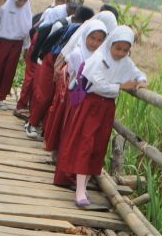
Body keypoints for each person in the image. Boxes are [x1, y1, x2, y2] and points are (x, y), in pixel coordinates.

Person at [54, 25, 147, 207]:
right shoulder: (99, 58)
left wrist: (141, 80)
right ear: (110, 44)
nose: (121, 53)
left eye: (125, 50)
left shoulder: (125, 61)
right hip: (91, 105)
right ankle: (80, 190)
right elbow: (97, 85)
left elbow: (137, 73)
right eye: (118, 48)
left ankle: (85, 185)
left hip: (107, 107)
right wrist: (120, 86)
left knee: (98, 145)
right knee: (86, 143)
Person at [25, 5, 93, 138]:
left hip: (60, 66)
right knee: (44, 95)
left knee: (53, 98)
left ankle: (44, 128)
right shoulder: (67, 27)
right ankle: (31, 124)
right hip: (50, 61)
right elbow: (48, 43)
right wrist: (39, 59)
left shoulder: (83, 32)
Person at [42, 19, 108, 155]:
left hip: (87, 98)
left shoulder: (102, 56)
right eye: (92, 38)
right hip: (75, 96)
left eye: (100, 40)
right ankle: (61, 154)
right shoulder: (77, 54)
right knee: (68, 126)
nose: (95, 43)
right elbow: (82, 77)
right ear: (85, 37)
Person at [16, 0, 82, 120]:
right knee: (32, 75)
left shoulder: (77, 19)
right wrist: (38, 54)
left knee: (42, 82)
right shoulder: (57, 12)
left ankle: (34, 111)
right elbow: (42, 31)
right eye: (71, 7)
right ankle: (21, 106)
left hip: (53, 48)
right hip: (41, 41)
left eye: (76, 9)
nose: (72, 11)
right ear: (66, 3)